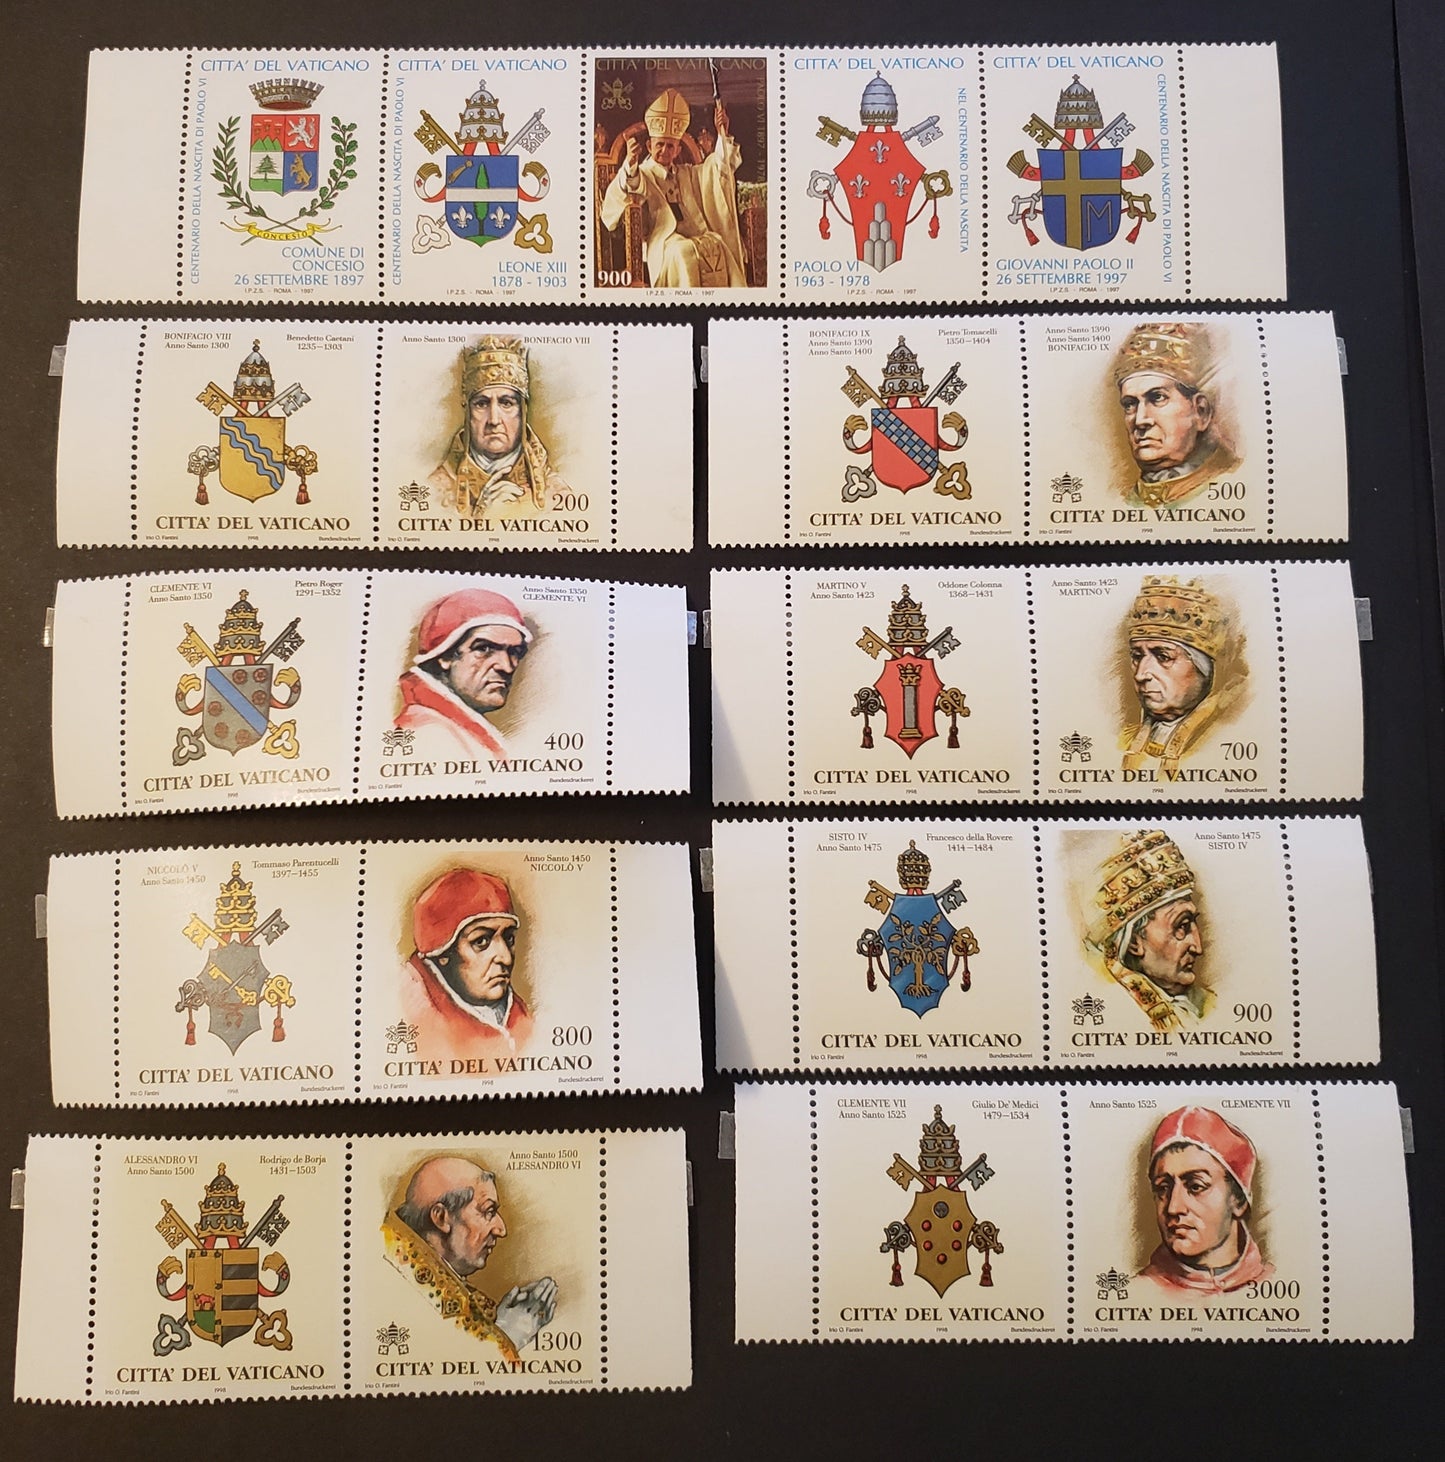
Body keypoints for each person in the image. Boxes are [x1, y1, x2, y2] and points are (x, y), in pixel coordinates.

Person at [383, 1155, 557, 1355]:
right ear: (441, 1218)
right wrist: (510, 1334)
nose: (501, 1229)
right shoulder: (397, 1283)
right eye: (488, 1211)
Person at [601, 87, 747, 288]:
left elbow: (718, 168)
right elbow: (631, 185)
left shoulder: (687, 173)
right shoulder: (643, 173)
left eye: (670, 146)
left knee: (718, 245)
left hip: (694, 233)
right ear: (649, 146)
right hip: (664, 240)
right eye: (659, 145)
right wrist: (630, 164)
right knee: (683, 251)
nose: (664, 150)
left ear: (678, 150)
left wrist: (723, 133)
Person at [1086, 829, 1215, 1030]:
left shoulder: (1207, 1004)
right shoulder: (1117, 1008)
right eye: (1181, 926)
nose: (1197, 947)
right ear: (1134, 943)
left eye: (1192, 924)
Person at [428, 336, 568, 518]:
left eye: (506, 403)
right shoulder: (434, 491)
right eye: (481, 404)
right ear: (468, 411)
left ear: (523, 411)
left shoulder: (557, 495)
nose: (494, 420)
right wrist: (483, 517)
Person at [401, 867, 534, 1057]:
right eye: (481, 941)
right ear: (442, 952)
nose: (506, 958)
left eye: (509, 938)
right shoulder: (408, 1011)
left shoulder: (521, 1016)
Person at [1140, 1106, 1273, 1294]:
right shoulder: (1139, 1290)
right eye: (1163, 1188)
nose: (1173, 1208)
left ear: (1238, 1200)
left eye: (1195, 1186)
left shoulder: (1273, 1279)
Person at [1120, 575, 1245, 775]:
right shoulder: (1125, 736)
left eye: (1163, 657)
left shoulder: (1231, 728)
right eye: (1137, 656)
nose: (1141, 674)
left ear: (1205, 669)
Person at [1112, 322, 1240, 508]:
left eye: (1157, 398)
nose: (1140, 421)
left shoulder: (1232, 478)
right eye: (1130, 404)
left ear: (1201, 411)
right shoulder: (1126, 501)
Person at [393, 588, 531, 758]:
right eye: (484, 649)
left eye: (515, 652)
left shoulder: (456, 731)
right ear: (445, 656)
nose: (507, 667)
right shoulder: (428, 731)